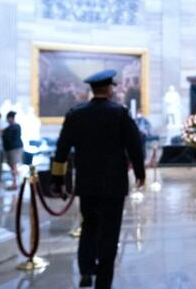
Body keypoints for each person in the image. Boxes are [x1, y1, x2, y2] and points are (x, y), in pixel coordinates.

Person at [50, 69, 145, 288]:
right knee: (109, 233)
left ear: (92, 90)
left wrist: (58, 180)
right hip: (114, 185)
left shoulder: (75, 114)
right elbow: (134, 145)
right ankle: (103, 281)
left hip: (87, 183)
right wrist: (140, 172)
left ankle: (86, 270)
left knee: (89, 226)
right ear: (110, 89)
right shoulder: (119, 114)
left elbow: (61, 150)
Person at [1, 111, 24, 190]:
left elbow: (8, 136)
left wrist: (3, 132)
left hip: (13, 149)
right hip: (12, 149)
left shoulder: (14, 127)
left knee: (13, 167)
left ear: (10, 118)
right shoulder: (13, 127)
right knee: (13, 167)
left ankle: (15, 183)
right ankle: (16, 182)